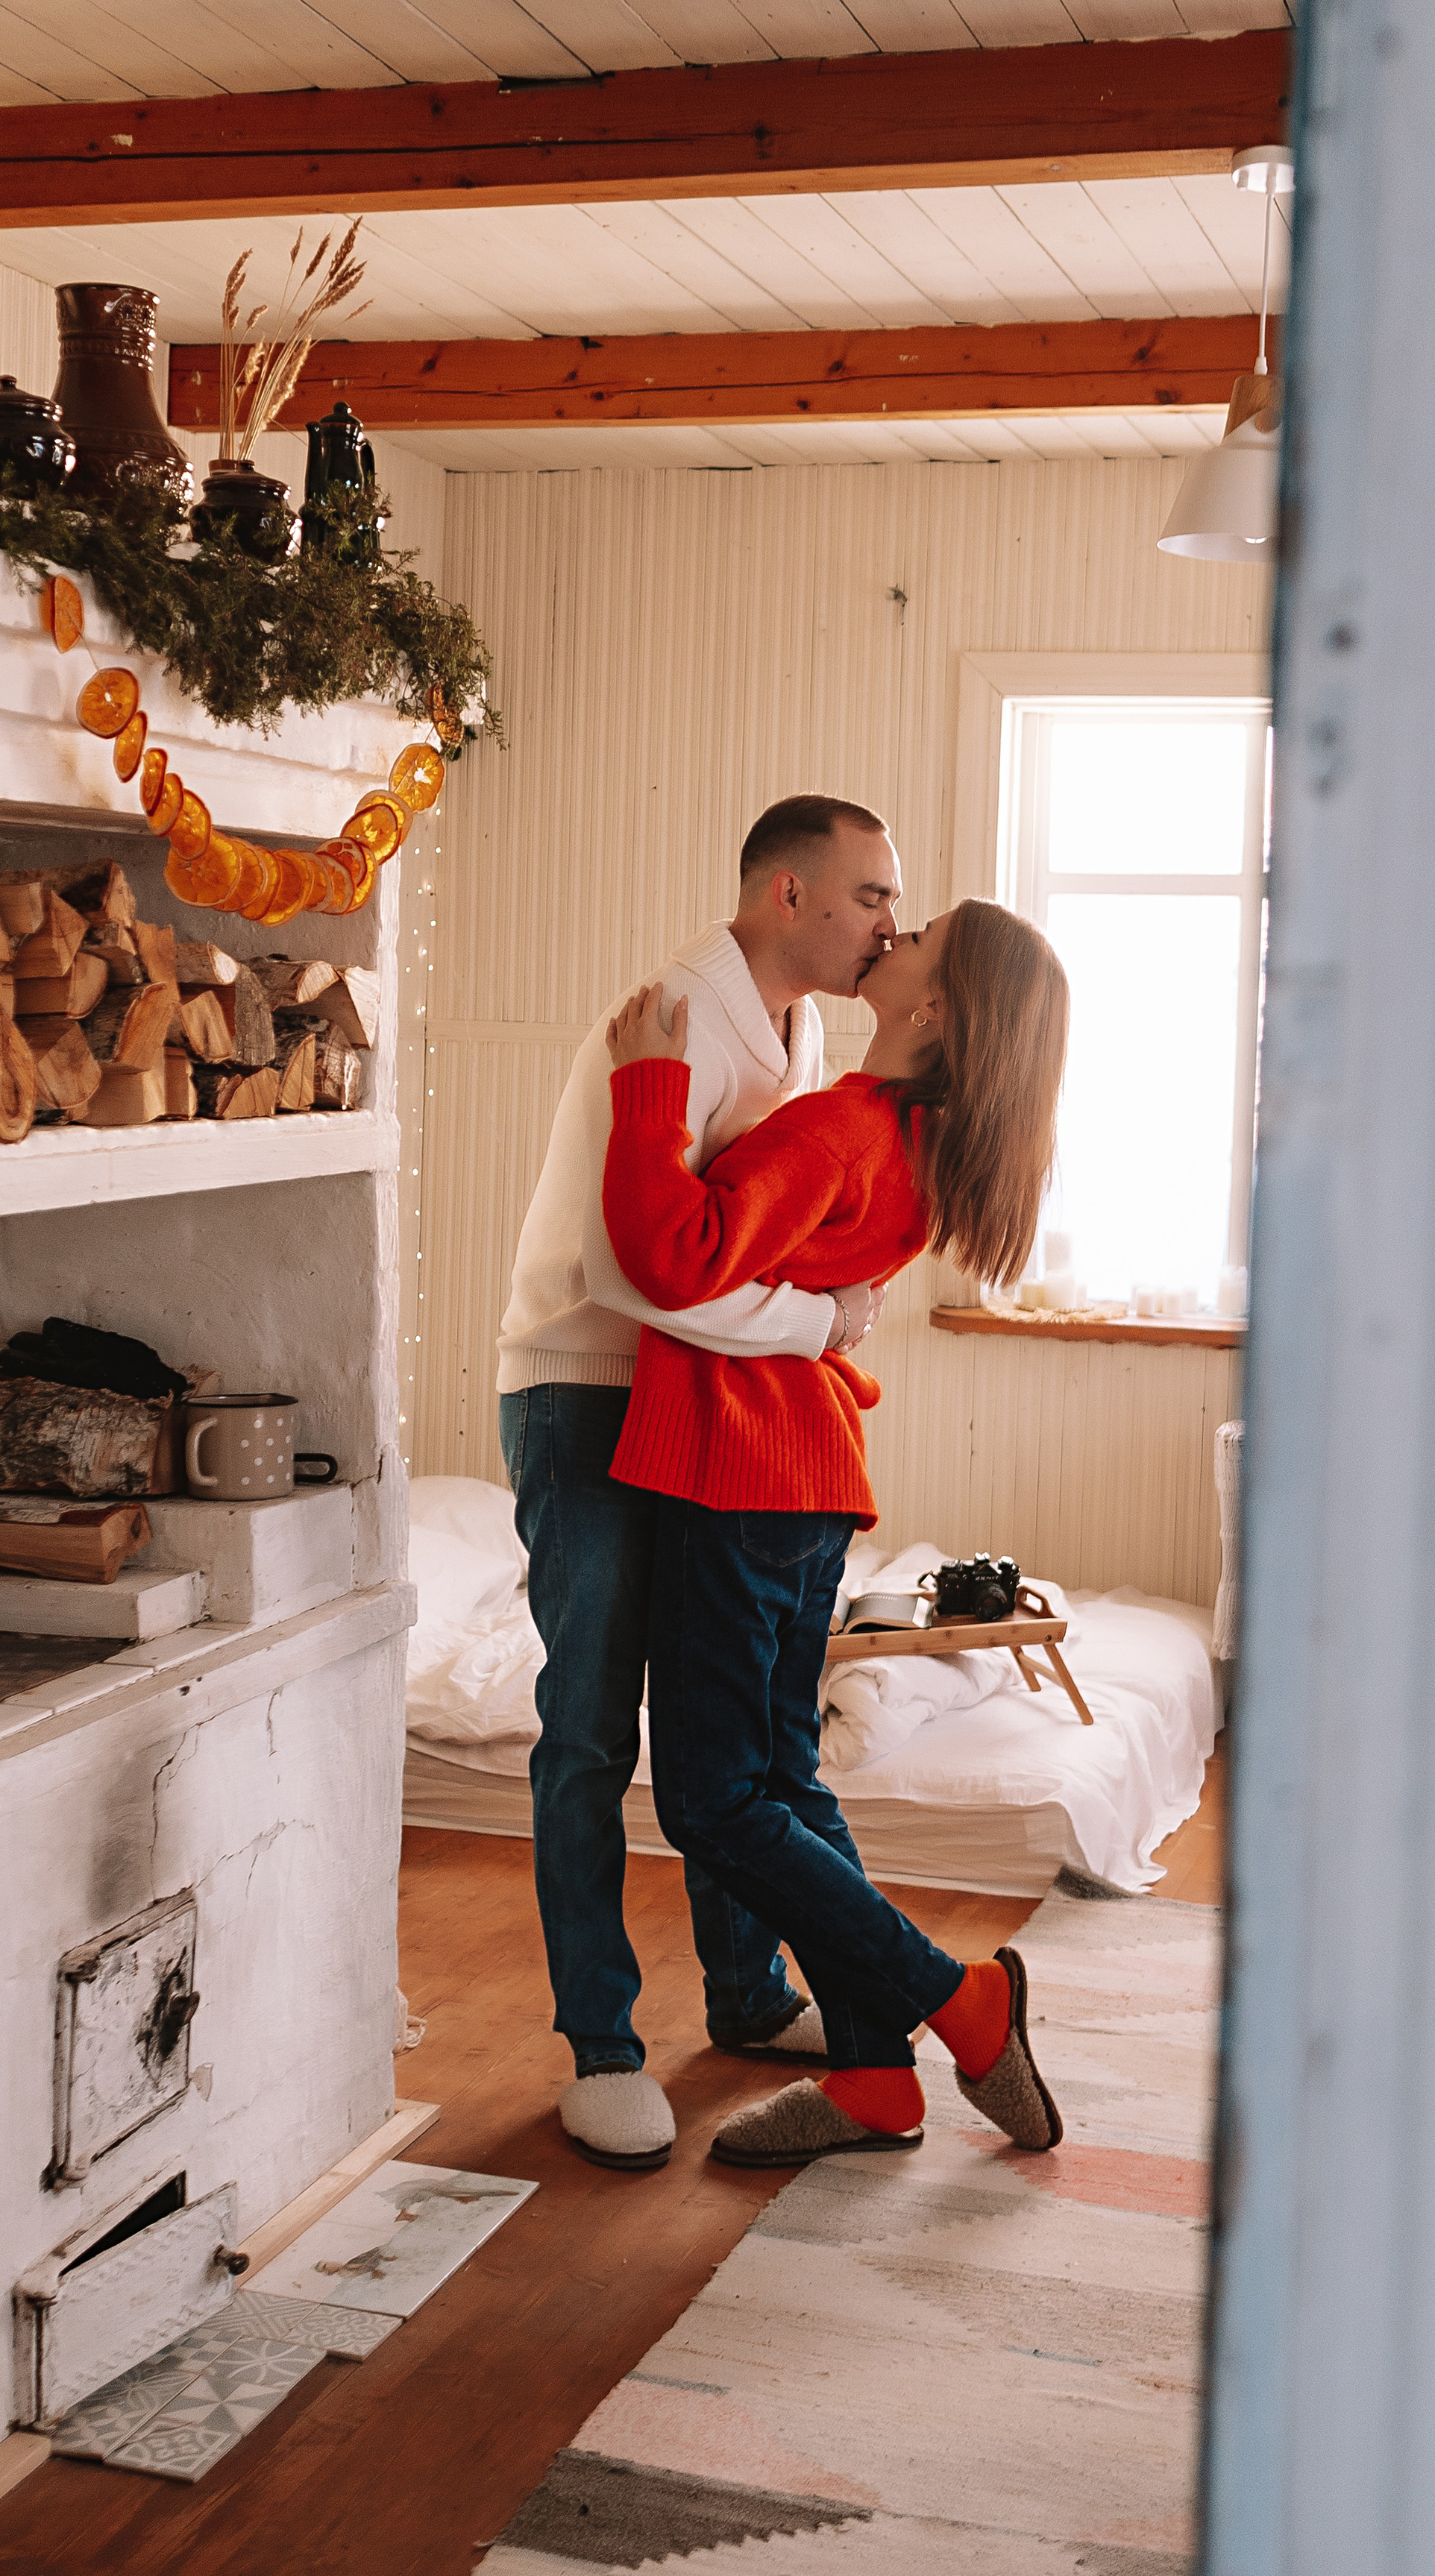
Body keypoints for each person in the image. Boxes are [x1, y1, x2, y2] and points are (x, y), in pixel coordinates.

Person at [600, 897, 1071, 2165]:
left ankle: (962, 2003)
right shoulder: (899, 1139)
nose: (894, 928)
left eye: (919, 931)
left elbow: (668, 1252)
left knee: (712, 1803)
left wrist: (648, 1088)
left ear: (936, 1009)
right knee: (781, 1782)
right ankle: (874, 2079)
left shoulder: (839, 1131)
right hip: (796, 1479)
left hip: (743, 1476)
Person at [497, 796, 905, 2173]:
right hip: (583, 1383)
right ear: (788, 894)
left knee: (718, 1730)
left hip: (689, 1397)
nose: (886, 924)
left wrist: (816, 1305)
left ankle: (745, 1993)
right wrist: (825, 1320)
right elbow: (641, 1271)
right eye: (867, 897)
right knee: (594, 1726)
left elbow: (736, 1256)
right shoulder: (676, 1009)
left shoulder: (797, 1031)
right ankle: (601, 2047)